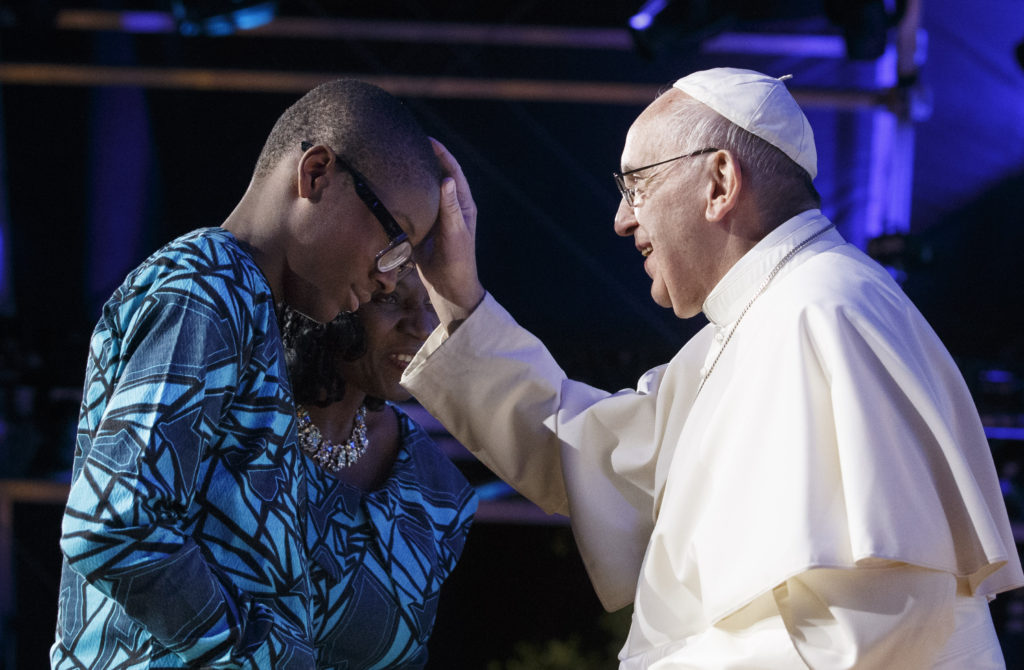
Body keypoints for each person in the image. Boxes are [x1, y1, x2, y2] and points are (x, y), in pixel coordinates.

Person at [402, 68, 1024, 668]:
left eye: (635, 186)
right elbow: (588, 458)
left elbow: (867, 628)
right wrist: (461, 301)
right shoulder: (751, 329)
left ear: (720, 181)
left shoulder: (825, 310)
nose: (622, 220)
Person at [51, 79, 443, 668]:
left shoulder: (247, 306)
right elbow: (112, 522)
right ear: (315, 175)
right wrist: (261, 656)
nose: (390, 277)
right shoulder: (205, 288)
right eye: (394, 241)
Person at [280, 267, 477, 668]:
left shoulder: (439, 490)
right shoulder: (237, 426)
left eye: (432, 303)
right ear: (339, 298)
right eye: (390, 298)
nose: (421, 325)